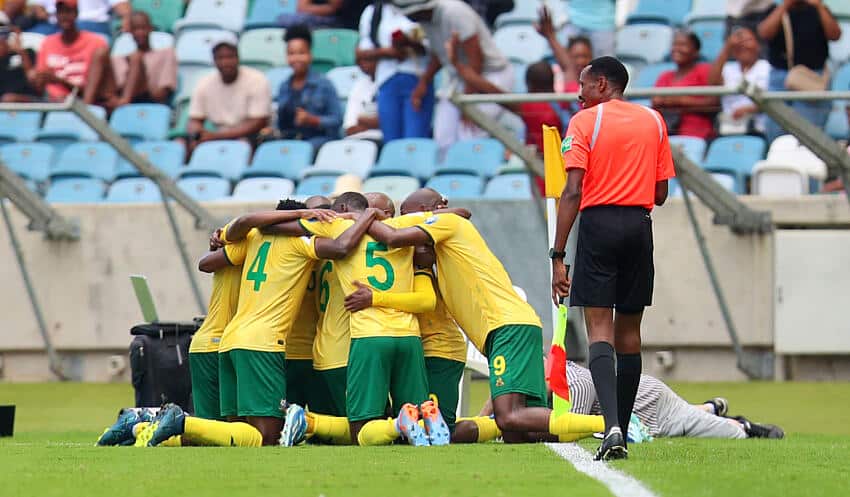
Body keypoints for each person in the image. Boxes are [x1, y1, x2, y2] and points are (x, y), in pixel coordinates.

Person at [365, 188, 605, 445]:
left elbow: (392, 236)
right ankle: (603, 426)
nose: (415, 239)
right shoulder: (447, 246)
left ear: (430, 212)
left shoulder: (446, 222)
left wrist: (363, 216)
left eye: (412, 218)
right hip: (513, 325)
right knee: (516, 432)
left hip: (506, 326)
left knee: (509, 417)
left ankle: (610, 423)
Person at [134, 201, 383, 448]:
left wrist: (220, 237)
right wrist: (365, 216)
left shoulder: (252, 238)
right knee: (266, 437)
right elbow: (341, 247)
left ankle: (146, 426)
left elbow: (210, 258)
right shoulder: (300, 243)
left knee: (236, 432)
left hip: (230, 341)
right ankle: (182, 423)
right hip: (262, 343)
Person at [550, 56, 675, 460]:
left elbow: (572, 191)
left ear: (602, 84)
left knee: (598, 327)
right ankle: (624, 422)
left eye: (584, 85)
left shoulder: (585, 123)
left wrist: (558, 254)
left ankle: (613, 428)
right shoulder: (654, 121)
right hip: (640, 226)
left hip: (599, 223)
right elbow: (660, 193)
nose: (579, 93)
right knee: (630, 334)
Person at [392, 0, 514, 157]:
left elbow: (476, 59)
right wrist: (423, 83)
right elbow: (439, 53)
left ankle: (473, 176)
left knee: (469, 134)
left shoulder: (455, 13)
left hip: (491, 75)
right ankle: (448, 179)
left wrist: (468, 104)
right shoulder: (424, 20)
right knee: (443, 138)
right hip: (459, 77)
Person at [565, 361, 785, 440]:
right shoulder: (563, 374)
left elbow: (568, 430)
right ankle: (711, 408)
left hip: (650, 404)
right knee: (688, 415)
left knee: (692, 425)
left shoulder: (574, 380)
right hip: (641, 399)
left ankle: (745, 427)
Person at [757, 0, 841, 142]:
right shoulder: (776, 10)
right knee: (776, 135)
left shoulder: (819, 10)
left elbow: (835, 35)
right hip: (780, 79)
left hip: (812, 79)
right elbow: (764, 33)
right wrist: (786, 5)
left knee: (810, 137)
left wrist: (819, 6)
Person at [356, 0, 433, 141]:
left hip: (417, 77)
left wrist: (409, 44)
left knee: (414, 139)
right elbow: (361, 52)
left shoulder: (421, 5)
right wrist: (389, 52)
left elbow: (431, 46)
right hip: (386, 79)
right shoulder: (373, 12)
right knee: (391, 140)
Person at [187, 33, 271, 151]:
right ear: (214, 60)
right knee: (188, 143)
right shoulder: (204, 83)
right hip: (217, 134)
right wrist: (197, 133)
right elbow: (194, 119)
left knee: (243, 144)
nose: (225, 62)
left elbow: (259, 121)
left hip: (249, 135)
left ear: (238, 57)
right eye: (220, 58)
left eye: (230, 57)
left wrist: (216, 137)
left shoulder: (257, 79)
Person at [83, 10, 177, 110]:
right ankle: (86, 106)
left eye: (143, 28)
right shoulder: (121, 58)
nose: (140, 33)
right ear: (130, 32)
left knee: (136, 58)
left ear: (150, 29)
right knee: (101, 53)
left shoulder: (165, 54)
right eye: (135, 29)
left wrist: (141, 77)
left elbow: (161, 95)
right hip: (117, 95)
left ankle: (124, 102)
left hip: (146, 98)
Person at [277, 24, 342, 151]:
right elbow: (281, 125)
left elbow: (337, 120)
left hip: (319, 141)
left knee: (303, 149)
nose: (296, 58)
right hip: (291, 139)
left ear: (310, 55)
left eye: (301, 53)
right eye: (291, 53)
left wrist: (312, 120)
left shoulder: (324, 84)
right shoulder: (284, 87)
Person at [31, 0, 108, 101]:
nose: (64, 16)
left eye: (68, 12)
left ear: (76, 13)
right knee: (11, 98)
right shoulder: (48, 42)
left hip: (81, 101)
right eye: (60, 12)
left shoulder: (96, 43)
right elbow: (39, 83)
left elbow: (91, 90)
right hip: (51, 102)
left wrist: (58, 80)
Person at [652, 30, 719, 140]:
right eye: (674, 45)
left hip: (697, 133)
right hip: (667, 133)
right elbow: (656, 101)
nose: (676, 49)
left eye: (683, 45)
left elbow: (713, 102)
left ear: (696, 51)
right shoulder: (665, 76)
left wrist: (678, 100)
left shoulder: (704, 70)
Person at [708, 26, 770, 136]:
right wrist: (727, 48)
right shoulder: (727, 68)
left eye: (748, 40)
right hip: (727, 127)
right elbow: (712, 84)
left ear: (758, 45)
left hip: (758, 129)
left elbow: (774, 100)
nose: (743, 45)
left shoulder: (767, 68)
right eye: (739, 42)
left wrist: (750, 109)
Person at [536, 6, 593, 94]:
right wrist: (550, 35)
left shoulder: (598, 82)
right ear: (567, 56)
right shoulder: (559, 76)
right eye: (576, 56)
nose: (581, 61)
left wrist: (550, 35)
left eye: (585, 56)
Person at [27, 0, 130, 36]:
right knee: (29, 39)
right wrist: (39, 11)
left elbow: (123, 8)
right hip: (53, 25)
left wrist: (127, 19)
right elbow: (35, 5)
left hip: (92, 25)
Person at [343, 55, 381, 141]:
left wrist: (364, 121)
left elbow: (393, 125)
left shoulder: (393, 84)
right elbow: (350, 129)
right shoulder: (358, 86)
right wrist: (376, 124)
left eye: (368, 59)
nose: (362, 63)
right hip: (359, 141)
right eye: (359, 60)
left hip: (386, 141)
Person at [0, 23, 38, 102]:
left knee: (8, 98)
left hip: (28, 99)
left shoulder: (29, 53)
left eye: (4, 34)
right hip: (3, 103)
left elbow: (33, 80)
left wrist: (21, 52)